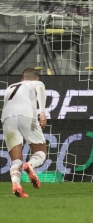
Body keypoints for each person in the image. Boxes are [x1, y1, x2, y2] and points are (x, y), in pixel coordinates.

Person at [2, 68, 48, 198]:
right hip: (26, 116)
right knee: (41, 152)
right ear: (36, 78)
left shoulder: (10, 87)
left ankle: (16, 185)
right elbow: (40, 88)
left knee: (16, 160)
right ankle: (30, 164)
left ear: (22, 79)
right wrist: (42, 111)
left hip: (7, 119)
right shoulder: (35, 83)